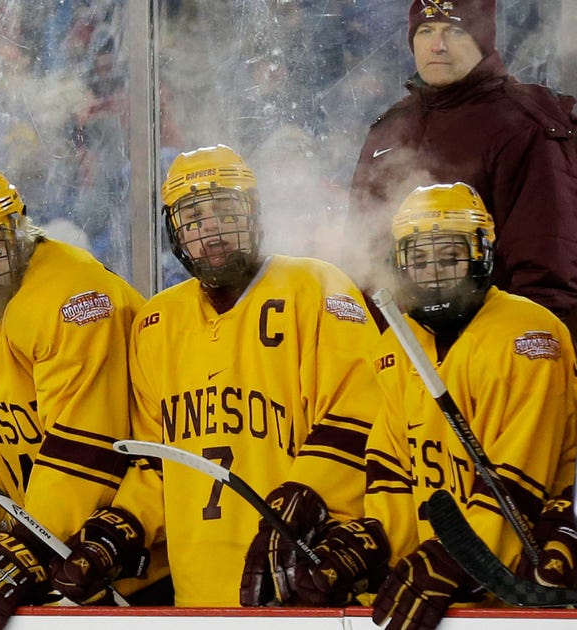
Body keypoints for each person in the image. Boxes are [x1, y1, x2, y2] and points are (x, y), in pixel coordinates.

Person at [50, 145, 382, 607]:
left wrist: (307, 496)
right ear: (175, 233)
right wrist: (124, 526)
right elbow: (157, 463)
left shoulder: (317, 288)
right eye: (194, 219)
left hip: (305, 586)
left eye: (225, 212)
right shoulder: (157, 322)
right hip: (196, 595)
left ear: (254, 214)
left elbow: (363, 416)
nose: (211, 230)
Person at [289, 183, 577, 630]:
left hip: (526, 587)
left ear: (482, 254)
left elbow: (519, 475)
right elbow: (393, 473)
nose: (435, 273)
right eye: (419, 260)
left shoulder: (529, 334)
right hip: (442, 586)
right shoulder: (395, 345)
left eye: (450, 256)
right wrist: (377, 545)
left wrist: (457, 557)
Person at [0, 161, 163, 630]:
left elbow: (85, 446)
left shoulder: (72, 295)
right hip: (54, 550)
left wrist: (24, 546)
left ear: (18, 230)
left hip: (125, 552)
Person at [348, 0, 577, 335]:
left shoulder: (524, 123)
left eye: (454, 31)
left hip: (490, 345)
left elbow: (547, 262)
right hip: (399, 348)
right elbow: (362, 251)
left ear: (482, 40)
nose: (437, 45)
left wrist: (526, 345)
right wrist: (367, 341)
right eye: (426, 30)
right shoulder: (388, 128)